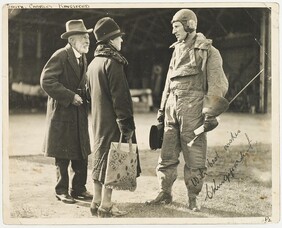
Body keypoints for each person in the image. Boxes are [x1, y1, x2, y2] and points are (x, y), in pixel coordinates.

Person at [146, 9, 229, 211]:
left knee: (195, 157)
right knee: (166, 155)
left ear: (189, 25)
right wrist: (161, 110)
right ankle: (165, 193)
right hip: (171, 110)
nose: (173, 31)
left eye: (176, 26)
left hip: (194, 111)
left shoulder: (208, 51)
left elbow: (217, 84)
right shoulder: (176, 50)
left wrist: (210, 113)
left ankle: (193, 197)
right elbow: (168, 81)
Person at [87, 17, 141, 218]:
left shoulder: (93, 64)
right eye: (119, 37)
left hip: (98, 121)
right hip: (114, 121)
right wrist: (126, 124)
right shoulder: (113, 62)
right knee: (114, 160)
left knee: (100, 157)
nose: (122, 41)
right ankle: (107, 205)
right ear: (110, 40)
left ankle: (96, 201)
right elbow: (121, 97)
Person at [40, 19, 93, 204]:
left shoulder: (83, 57)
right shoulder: (61, 55)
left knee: (81, 150)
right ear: (71, 40)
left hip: (78, 111)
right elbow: (46, 81)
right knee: (62, 154)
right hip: (63, 112)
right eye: (83, 37)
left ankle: (78, 188)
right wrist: (70, 96)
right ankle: (61, 190)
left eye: (88, 36)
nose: (87, 40)